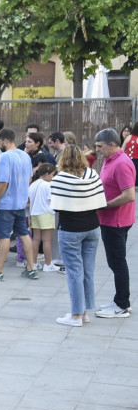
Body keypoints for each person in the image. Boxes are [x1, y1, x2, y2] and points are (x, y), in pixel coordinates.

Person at [51, 145, 106, 326]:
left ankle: (76, 315)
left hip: (70, 230)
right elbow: (100, 200)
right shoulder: (92, 174)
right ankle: (84, 312)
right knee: (87, 270)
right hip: (92, 227)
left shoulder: (60, 178)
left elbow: (56, 206)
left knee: (74, 272)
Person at [0, 129, 39, 282]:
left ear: (5, 141)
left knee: (3, 235)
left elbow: (3, 182)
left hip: (7, 204)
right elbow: (29, 179)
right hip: (20, 203)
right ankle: (31, 268)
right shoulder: (25, 155)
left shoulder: (5, 157)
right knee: (23, 233)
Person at [93, 128, 136, 318]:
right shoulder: (110, 160)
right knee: (115, 262)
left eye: (100, 146)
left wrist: (103, 205)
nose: (97, 150)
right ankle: (120, 300)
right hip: (109, 220)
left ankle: (122, 305)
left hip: (116, 221)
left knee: (117, 263)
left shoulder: (121, 163)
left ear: (112, 144)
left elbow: (129, 195)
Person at [28, 164, 59, 272]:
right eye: (52, 174)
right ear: (46, 174)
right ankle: (48, 264)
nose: (53, 177)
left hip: (34, 213)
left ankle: (34, 262)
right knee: (47, 240)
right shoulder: (47, 185)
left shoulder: (33, 184)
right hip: (46, 213)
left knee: (36, 239)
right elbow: (52, 200)